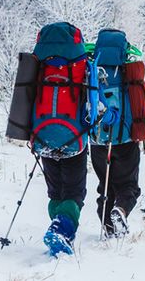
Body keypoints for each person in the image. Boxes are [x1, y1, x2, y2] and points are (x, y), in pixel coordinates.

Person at [28, 22, 119, 256]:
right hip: (74, 140)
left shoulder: (36, 68)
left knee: (55, 191)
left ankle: (58, 224)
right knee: (74, 193)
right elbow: (97, 107)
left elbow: (24, 102)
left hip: (43, 138)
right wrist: (111, 115)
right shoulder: (83, 67)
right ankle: (62, 230)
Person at [87, 29, 145, 238]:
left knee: (104, 187)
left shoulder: (90, 69)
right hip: (125, 140)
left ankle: (108, 229)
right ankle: (121, 210)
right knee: (128, 186)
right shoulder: (129, 73)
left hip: (97, 141)